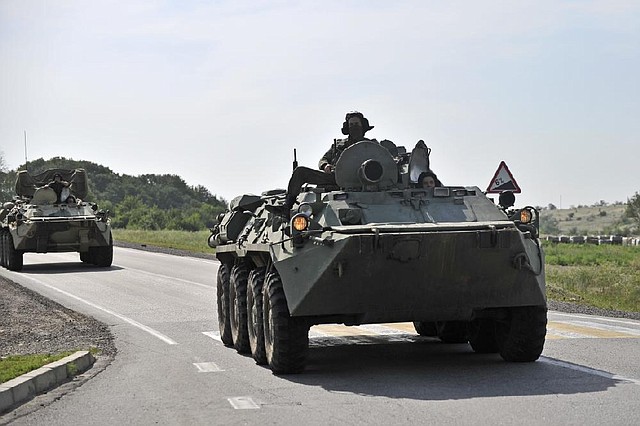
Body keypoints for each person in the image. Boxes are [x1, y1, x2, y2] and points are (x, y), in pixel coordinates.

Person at [284, 111, 374, 210]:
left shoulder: (370, 146)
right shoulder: (339, 145)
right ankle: (287, 206)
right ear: (347, 127)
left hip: (361, 179)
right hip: (335, 177)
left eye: (356, 124)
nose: (354, 127)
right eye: (351, 125)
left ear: (362, 126)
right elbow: (323, 159)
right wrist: (325, 165)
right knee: (300, 172)